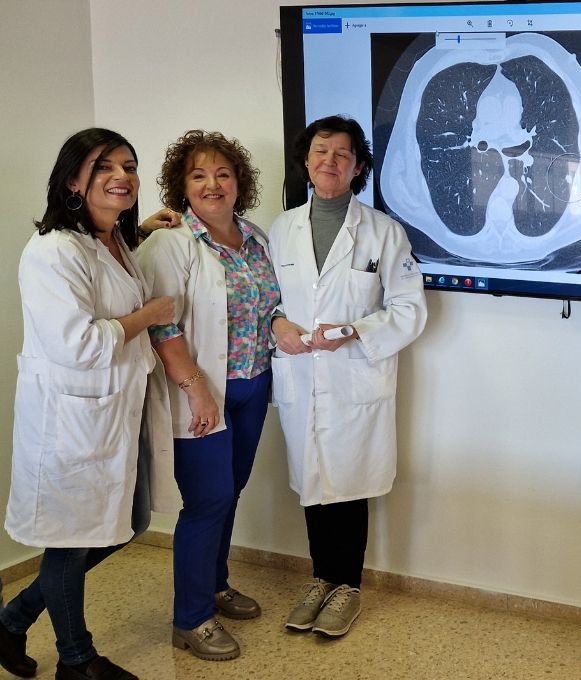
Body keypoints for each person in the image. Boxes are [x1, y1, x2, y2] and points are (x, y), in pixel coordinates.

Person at [0, 128, 176, 680]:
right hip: (71, 423)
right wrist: (150, 315)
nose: (122, 176)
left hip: (114, 415)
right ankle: (76, 660)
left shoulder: (113, 242)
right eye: (104, 168)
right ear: (74, 181)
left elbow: (110, 288)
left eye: (128, 165)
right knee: (71, 544)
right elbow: (77, 343)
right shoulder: (53, 251)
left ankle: (11, 620)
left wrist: (139, 234)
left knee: (130, 521)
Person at [269, 115, 427, 639]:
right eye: (320, 151)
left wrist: (356, 330)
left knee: (350, 485)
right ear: (306, 160)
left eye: (342, 154)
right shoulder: (281, 228)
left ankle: (347, 587)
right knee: (314, 482)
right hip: (301, 374)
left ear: (358, 166)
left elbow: (410, 310)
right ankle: (320, 578)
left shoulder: (383, 231)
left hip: (355, 377)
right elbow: (265, 301)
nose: (329, 162)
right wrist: (277, 323)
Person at [136, 130, 280, 661]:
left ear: (239, 181)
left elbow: (269, 308)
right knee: (207, 500)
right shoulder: (171, 244)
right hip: (202, 393)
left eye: (222, 174)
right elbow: (161, 328)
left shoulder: (256, 237)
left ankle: (216, 585)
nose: (212, 184)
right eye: (198, 175)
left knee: (231, 490)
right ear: (182, 186)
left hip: (252, 385)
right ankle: (191, 617)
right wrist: (196, 391)